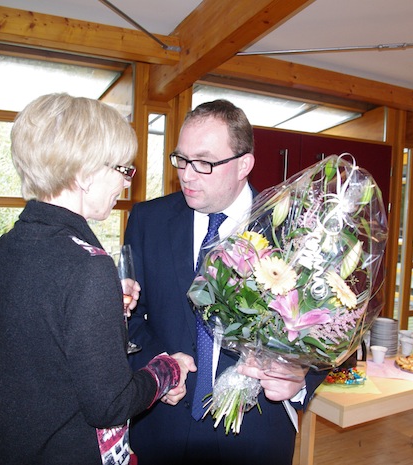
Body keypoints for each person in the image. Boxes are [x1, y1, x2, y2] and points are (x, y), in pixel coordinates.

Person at [0, 93, 195, 465]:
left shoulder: (5, 249)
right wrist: (169, 368)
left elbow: (42, 340)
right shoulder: (87, 266)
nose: (126, 185)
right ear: (83, 173)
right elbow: (110, 405)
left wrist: (105, 306)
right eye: (122, 170)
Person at [124, 99, 328, 465]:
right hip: (162, 426)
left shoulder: (293, 231)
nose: (186, 174)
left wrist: (300, 380)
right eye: (181, 159)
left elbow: (325, 328)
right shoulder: (147, 219)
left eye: (204, 162)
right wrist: (162, 368)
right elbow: (129, 320)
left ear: (243, 165)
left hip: (256, 432)